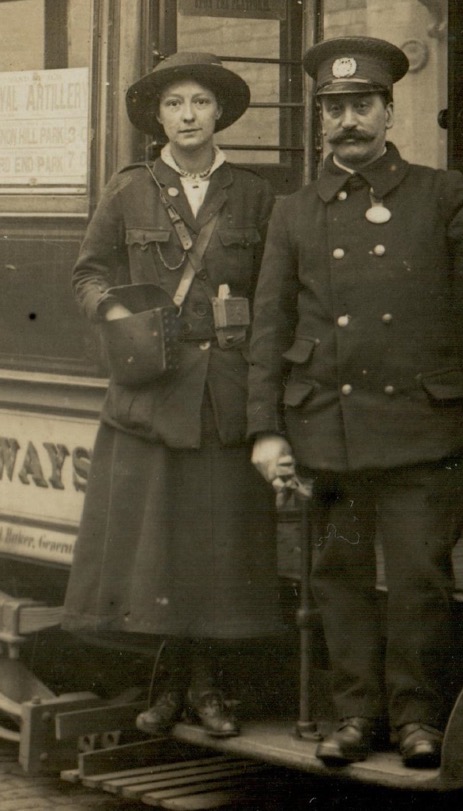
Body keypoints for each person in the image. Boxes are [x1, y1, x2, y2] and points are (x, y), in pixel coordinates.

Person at [247, 36, 463, 768]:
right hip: (330, 425)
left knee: (419, 577)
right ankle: (354, 713)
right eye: (335, 109)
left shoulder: (442, 195)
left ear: (390, 113)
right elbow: (268, 326)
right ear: (322, 120)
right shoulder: (294, 211)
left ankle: (418, 716)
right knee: (341, 578)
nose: (347, 121)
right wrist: (266, 431)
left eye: (361, 106)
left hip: (421, 425)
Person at [62, 52, 282, 739]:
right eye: (174, 105)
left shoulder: (252, 193)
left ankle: (209, 686)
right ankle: (167, 681)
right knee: (154, 549)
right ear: (158, 117)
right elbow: (88, 272)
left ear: (219, 113)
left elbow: (274, 291)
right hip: (150, 396)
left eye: (200, 103)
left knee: (213, 551)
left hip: (224, 397)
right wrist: (113, 313)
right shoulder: (128, 189)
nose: (187, 116)